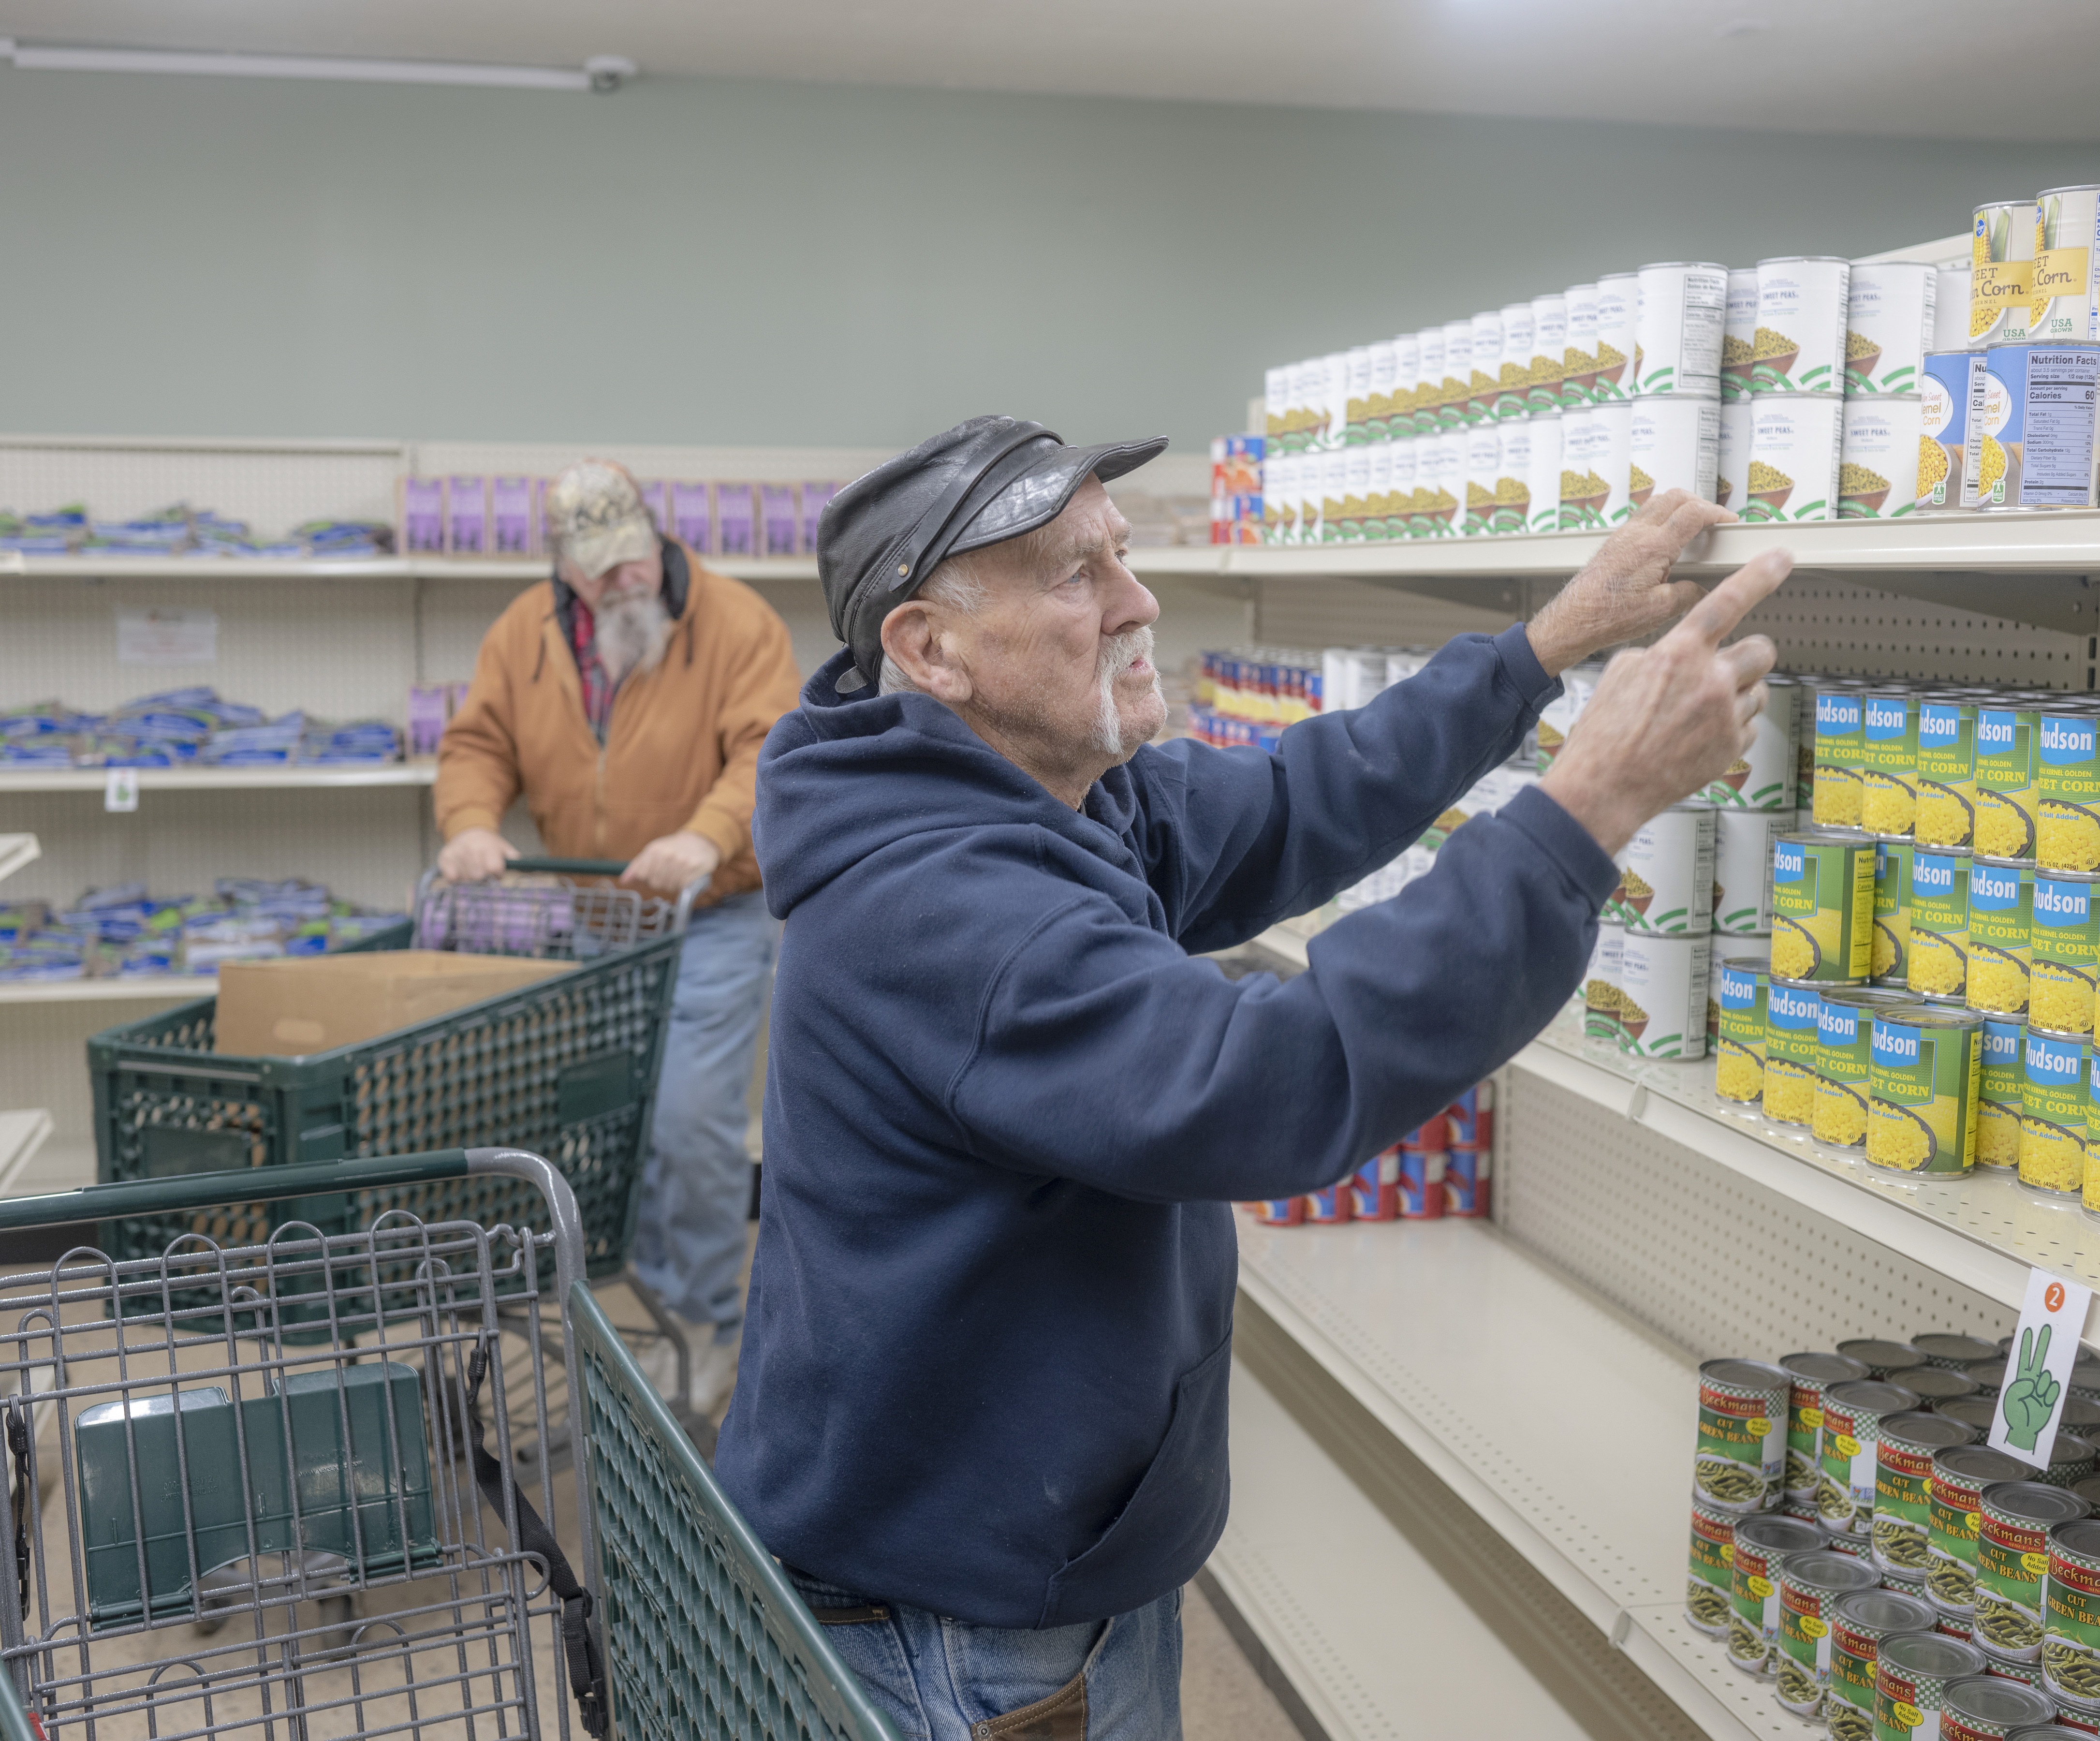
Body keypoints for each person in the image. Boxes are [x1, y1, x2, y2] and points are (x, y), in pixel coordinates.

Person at [715, 414, 1789, 1740]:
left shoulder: (1047, 795)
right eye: (1075, 576)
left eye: (1121, 554)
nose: (1137, 599)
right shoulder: (945, 910)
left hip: (1024, 1540)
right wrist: (1584, 811)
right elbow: (1266, 1081)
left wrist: (1538, 650)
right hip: (963, 1617)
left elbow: (1290, 799)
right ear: (930, 651)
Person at [434, 459, 802, 1415]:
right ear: (563, 570)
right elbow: (478, 744)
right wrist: (472, 823)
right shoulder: (523, 633)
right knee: (621, 1126)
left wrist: (705, 835)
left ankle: (700, 1323)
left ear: (654, 537)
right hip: (598, 920)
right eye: (600, 571)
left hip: (713, 912)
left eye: (632, 559)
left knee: (687, 1121)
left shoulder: (737, 623)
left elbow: (770, 751)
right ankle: (650, 1303)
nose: (624, 581)